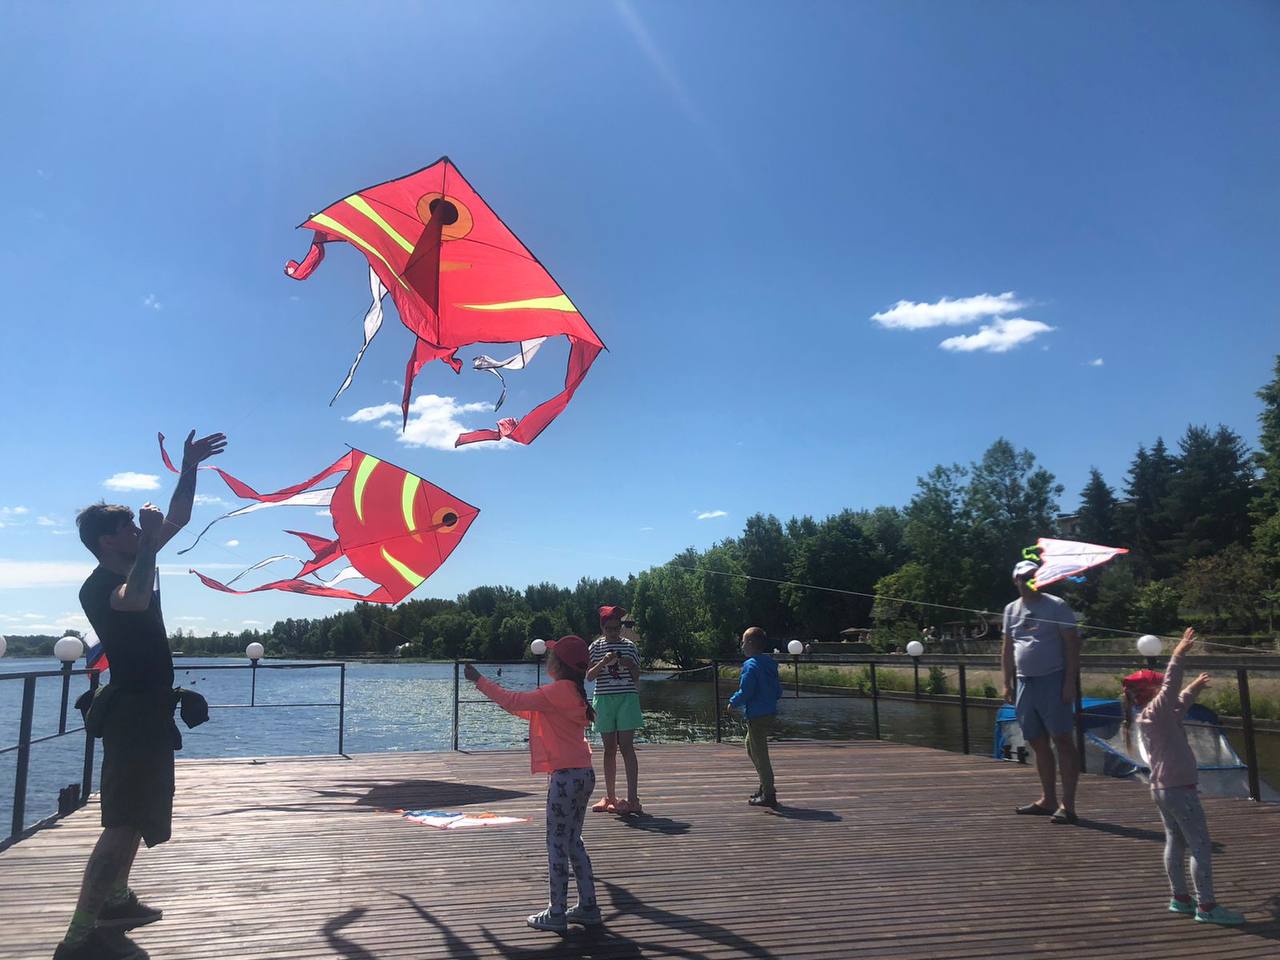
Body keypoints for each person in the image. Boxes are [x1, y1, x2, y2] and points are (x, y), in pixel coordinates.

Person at [58, 430, 226, 960]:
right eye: (128, 528)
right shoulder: (99, 585)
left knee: (137, 816)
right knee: (122, 822)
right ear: (108, 541)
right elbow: (132, 601)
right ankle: (79, 936)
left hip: (149, 711)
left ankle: (116, 901)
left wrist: (189, 467)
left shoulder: (135, 560)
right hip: (131, 715)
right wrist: (150, 541)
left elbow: (178, 517)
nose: (138, 531)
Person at [464, 636, 600, 933]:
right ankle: (588, 906)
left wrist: (478, 680)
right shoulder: (572, 692)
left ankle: (557, 912)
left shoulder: (556, 691)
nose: (548, 658)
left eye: (552, 655)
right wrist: (500, 697)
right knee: (573, 841)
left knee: (556, 844)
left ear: (559, 664)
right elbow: (523, 708)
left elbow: (514, 701)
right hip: (584, 774)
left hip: (565, 779)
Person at [1122, 628, 1244, 926]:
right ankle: (1207, 906)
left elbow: (1179, 701)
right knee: (1200, 845)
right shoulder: (1157, 711)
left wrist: (1195, 687)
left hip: (1162, 789)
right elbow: (1171, 688)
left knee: (1175, 841)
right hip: (1179, 789)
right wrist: (1178, 654)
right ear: (1152, 692)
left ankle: (1180, 898)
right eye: (1159, 686)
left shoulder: (1151, 714)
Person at [1002, 559, 1082, 824]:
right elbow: (1007, 648)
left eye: (1033, 576)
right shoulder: (1011, 609)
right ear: (1015, 580)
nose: (1029, 581)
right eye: (1024, 577)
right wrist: (1006, 682)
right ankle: (1048, 799)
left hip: (1053, 679)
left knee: (1062, 739)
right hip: (1025, 682)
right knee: (1036, 741)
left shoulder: (1056, 605)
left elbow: (1071, 645)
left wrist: (1069, 682)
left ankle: (1068, 805)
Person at [586, 605, 644, 814]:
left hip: (627, 698)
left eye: (616, 628)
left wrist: (630, 665)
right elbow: (589, 676)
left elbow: (637, 676)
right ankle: (610, 797)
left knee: (626, 747)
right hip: (604, 699)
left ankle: (633, 799)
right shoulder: (595, 647)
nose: (613, 632)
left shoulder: (629, 646)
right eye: (609, 628)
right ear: (602, 628)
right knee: (609, 749)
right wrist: (603, 662)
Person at [727, 626, 783, 808]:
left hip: (757, 715)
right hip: (769, 712)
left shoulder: (750, 665)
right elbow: (778, 690)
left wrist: (733, 702)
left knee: (760, 754)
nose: (742, 645)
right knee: (750, 747)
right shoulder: (769, 664)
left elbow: (746, 691)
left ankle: (769, 794)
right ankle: (764, 785)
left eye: (743, 642)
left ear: (750, 643)